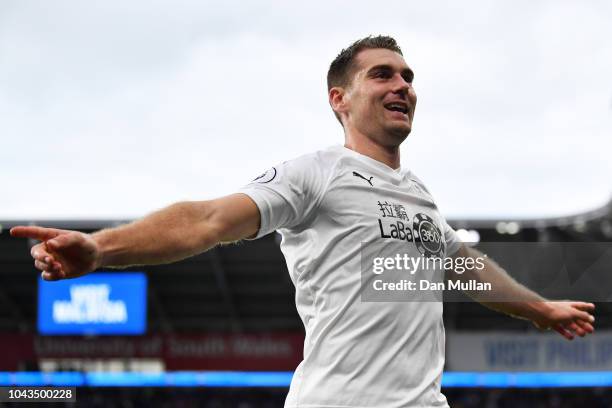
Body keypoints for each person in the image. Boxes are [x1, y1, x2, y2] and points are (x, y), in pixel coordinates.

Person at [11, 35, 595, 407]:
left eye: (409, 76)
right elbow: (209, 218)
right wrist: (102, 249)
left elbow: (462, 266)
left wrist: (541, 307)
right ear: (339, 99)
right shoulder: (316, 173)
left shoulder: (419, 195)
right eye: (384, 74)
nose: (403, 86)